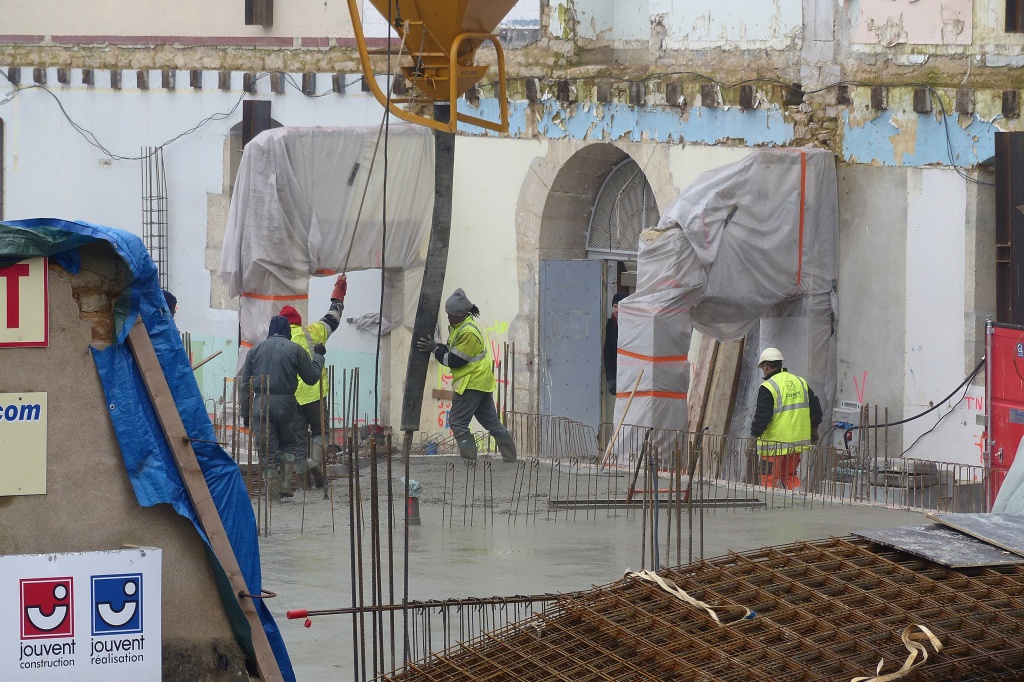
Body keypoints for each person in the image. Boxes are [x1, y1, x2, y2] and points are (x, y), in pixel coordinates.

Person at [416, 289, 517, 463]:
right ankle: (510, 458)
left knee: (457, 421)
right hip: (480, 382)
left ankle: (469, 459)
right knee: (492, 423)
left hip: (472, 382)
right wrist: (438, 346)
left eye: (450, 314)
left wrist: (434, 349)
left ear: (459, 314)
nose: (447, 317)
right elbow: (451, 350)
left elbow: (454, 360)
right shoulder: (460, 326)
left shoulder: (468, 332)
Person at [239, 315, 326, 501]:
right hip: (287, 404)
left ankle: (272, 496)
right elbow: (312, 378)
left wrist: (245, 414)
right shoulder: (296, 350)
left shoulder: (254, 351)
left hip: (260, 404)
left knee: (266, 451)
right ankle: (287, 484)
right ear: (287, 332)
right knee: (288, 443)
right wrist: (318, 356)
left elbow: (245, 385)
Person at [279, 275, 347, 489]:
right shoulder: (313, 332)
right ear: (299, 322)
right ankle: (314, 463)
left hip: (293, 398)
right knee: (320, 433)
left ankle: (302, 476)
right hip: (316, 394)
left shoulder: (279, 342)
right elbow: (333, 317)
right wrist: (339, 294)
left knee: (298, 438)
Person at [748, 347, 822, 490]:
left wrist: (753, 437)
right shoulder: (800, 382)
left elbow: (763, 417)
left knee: (767, 478)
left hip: (772, 447)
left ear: (766, 366)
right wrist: (813, 431)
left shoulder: (768, 387)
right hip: (795, 444)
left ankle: (770, 507)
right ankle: (797, 504)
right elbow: (816, 410)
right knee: (789, 475)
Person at [603, 292, 627, 395]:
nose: (616, 311)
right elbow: (608, 352)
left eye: (620, 307)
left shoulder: (632, 325)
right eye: (615, 306)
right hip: (617, 372)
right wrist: (611, 378)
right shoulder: (611, 324)